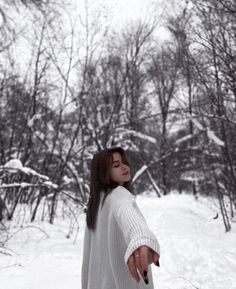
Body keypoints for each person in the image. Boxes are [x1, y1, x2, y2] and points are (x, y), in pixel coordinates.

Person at [81, 147, 160, 289]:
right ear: (103, 172)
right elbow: (130, 217)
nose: (124, 167)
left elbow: (128, 217)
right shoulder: (119, 196)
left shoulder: (95, 204)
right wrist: (141, 237)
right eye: (116, 165)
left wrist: (139, 237)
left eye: (124, 162)